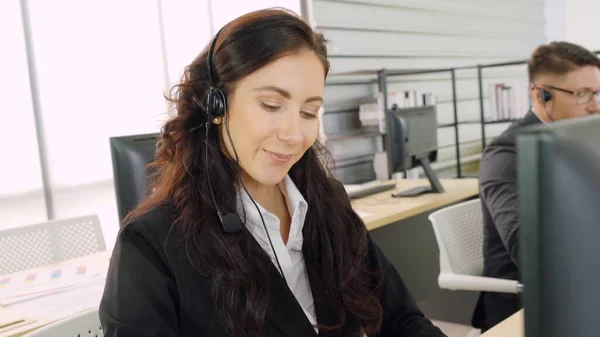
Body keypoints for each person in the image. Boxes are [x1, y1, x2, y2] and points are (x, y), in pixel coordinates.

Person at [99, 8, 446, 337]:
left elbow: (402, 320)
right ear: (215, 104)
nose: (294, 134)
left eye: (309, 112)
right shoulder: (150, 245)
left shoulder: (327, 203)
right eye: (271, 105)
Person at [474, 41, 600, 331]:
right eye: (581, 94)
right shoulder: (506, 156)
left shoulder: (579, 142)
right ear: (542, 95)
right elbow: (530, 251)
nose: (594, 106)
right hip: (526, 307)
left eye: (596, 93)